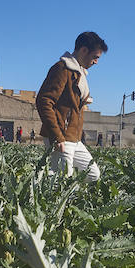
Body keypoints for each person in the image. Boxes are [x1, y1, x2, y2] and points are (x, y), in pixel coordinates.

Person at [36, 31, 107, 182]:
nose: (96, 62)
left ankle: (62, 192)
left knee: (93, 174)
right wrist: (57, 137)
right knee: (59, 183)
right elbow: (44, 101)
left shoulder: (79, 73)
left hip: (74, 137)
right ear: (83, 50)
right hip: (61, 135)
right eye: (95, 57)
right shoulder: (62, 69)